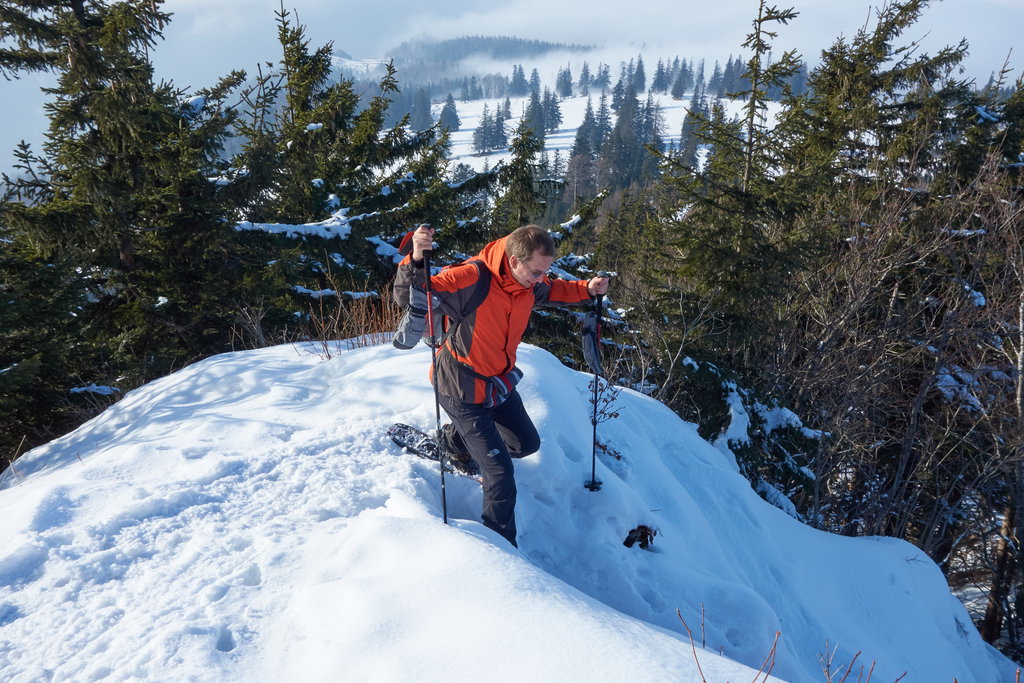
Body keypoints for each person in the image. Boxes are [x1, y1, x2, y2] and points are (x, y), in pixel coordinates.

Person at [394, 224, 609, 547]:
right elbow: (412, 296)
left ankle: (453, 442)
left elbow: (553, 290)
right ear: (513, 260)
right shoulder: (472, 277)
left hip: (497, 382)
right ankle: (500, 551)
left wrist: (587, 289)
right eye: (536, 271)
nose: (541, 278)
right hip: (460, 387)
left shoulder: (528, 282)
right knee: (500, 475)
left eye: (545, 271)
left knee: (525, 444)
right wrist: (416, 258)